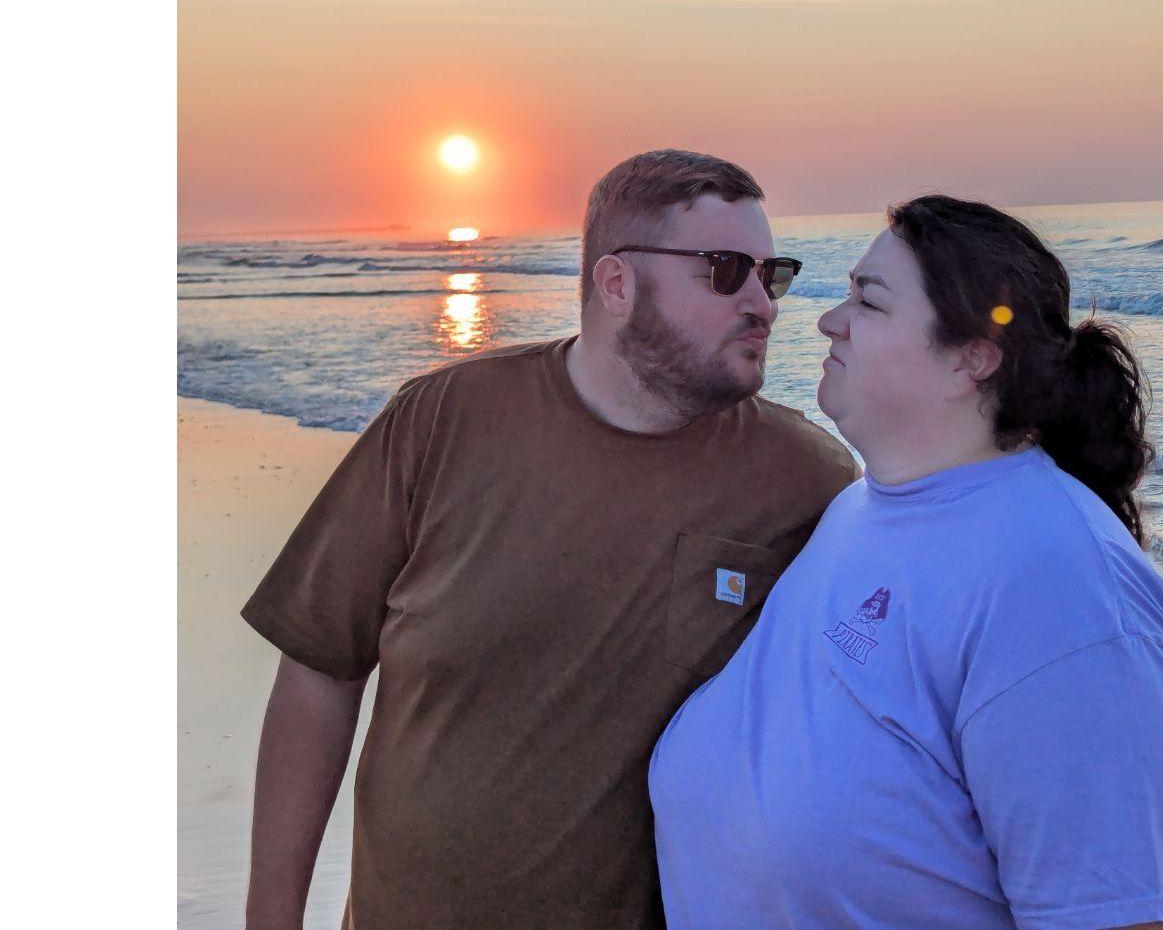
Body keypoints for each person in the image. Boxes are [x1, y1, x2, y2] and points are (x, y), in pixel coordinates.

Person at [241, 150, 857, 930]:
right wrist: (271, 918)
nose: (762, 304)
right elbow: (319, 671)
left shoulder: (807, 482)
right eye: (725, 269)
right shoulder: (442, 420)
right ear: (616, 284)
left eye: (772, 275)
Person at [651, 195, 1163, 930]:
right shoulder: (863, 509)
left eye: (869, 301)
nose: (828, 320)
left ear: (972, 359)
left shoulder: (1069, 597)